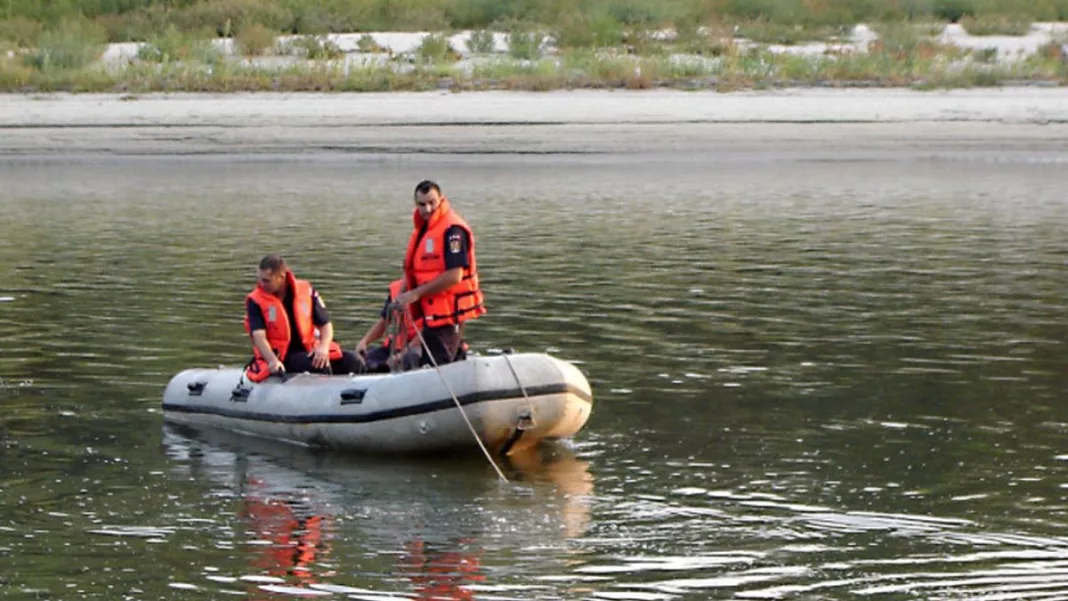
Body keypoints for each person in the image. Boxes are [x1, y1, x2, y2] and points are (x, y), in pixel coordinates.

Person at [392, 180, 485, 367]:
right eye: (422, 204)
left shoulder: (452, 231)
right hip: (432, 314)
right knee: (437, 360)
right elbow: (414, 272)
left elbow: (455, 275)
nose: (427, 209)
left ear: (441, 200)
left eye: (432, 202)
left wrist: (415, 294)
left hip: (448, 313)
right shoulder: (424, 229)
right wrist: (402, 295)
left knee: (441, 364)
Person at [243, 254, 360, 382]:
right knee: (319, 367)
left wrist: (323, 347)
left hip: (310, 350)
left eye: (266, 280)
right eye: (260, 279)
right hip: (283, 356)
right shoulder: (256, 300)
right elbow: (259, 336)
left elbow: (325, 324)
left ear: (281, 277)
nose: (261, 284)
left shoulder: (305, 291)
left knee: (354, 361)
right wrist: (273, 361)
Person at [354, 278, 423, 373]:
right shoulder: (396, 289)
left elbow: (428, 332)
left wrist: (402, 354)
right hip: (396, 346)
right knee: (360, 361)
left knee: (409, 359)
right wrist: (364, 341)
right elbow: (383, 323)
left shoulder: (430, 289)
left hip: (420, 346)